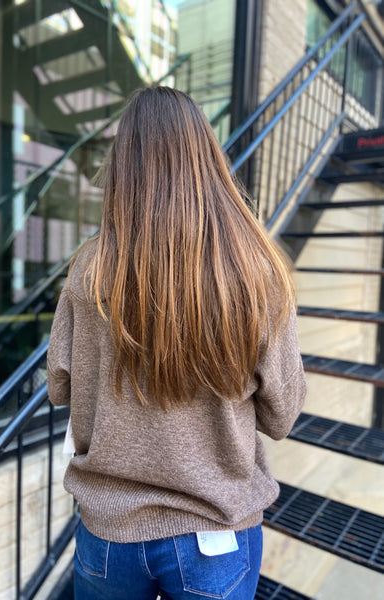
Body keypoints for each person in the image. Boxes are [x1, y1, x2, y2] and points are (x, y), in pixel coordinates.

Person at [47, 86, 306, 600]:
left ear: (124, 167)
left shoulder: (90, 270)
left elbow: (59, 386)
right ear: (207, 159)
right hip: (215, 531)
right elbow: (282, 414)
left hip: (109, 532)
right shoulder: (254, 271)